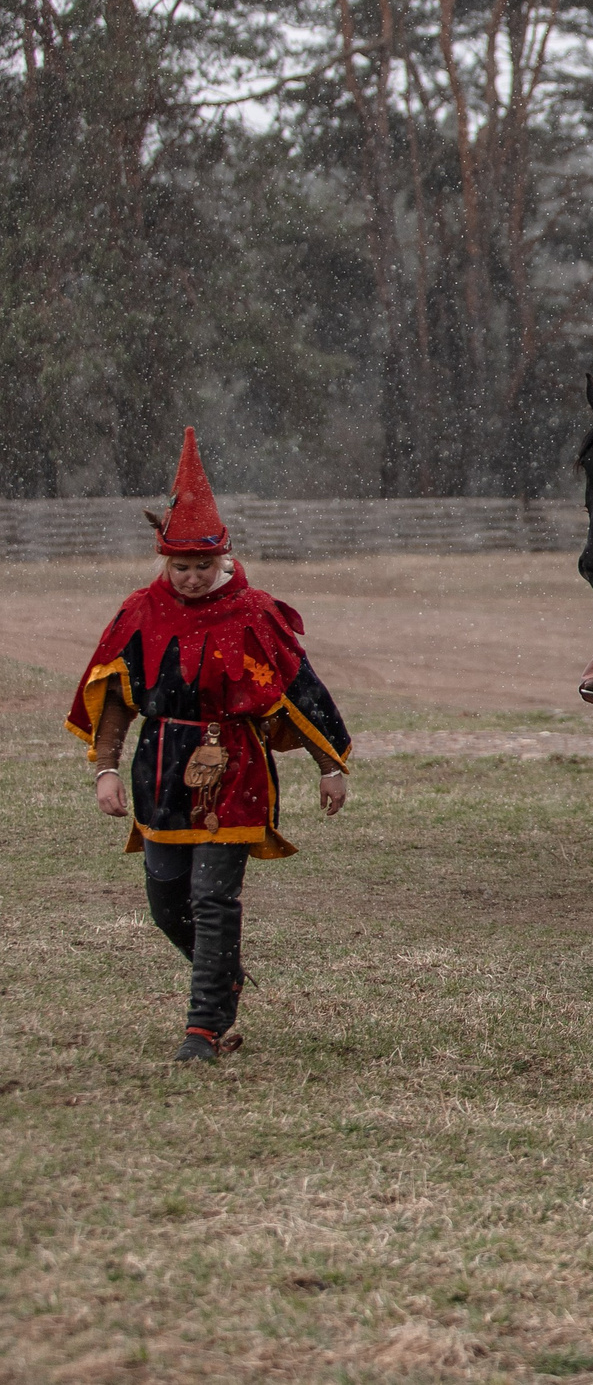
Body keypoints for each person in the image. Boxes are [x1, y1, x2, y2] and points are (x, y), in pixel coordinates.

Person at [66, 431, 353, 1063]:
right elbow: (113, 695)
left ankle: (203, 1028)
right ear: (163, 561)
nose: (193, 580)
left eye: (203, 567)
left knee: (212, 897)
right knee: (167, 901)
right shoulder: (139, 612)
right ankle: (220, 974)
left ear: (223, 557)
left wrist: (330, 765)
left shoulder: (254, 613)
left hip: (237, 771)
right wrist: (104, 771)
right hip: (159, 769)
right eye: (181, 568)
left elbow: (302, 692)